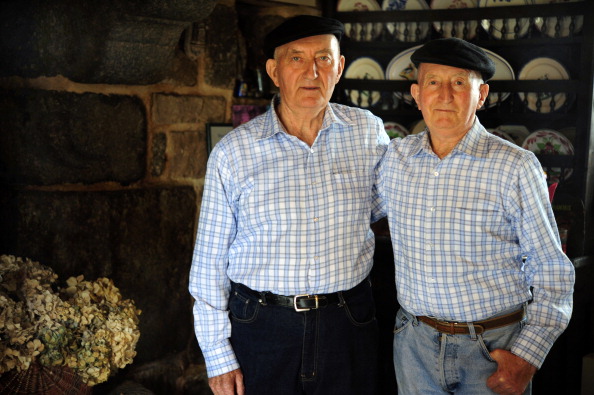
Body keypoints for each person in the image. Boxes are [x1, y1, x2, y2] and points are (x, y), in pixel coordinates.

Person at [189, 15, 389, 395]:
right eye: (296, 58)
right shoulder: (234, 153)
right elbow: (208, 266)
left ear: (340, 67)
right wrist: (217, 356)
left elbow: (394, 204)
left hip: (348, 321)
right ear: (274, 71)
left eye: (324, 59)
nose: (312, 71)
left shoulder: (367, 132)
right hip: (262, 326)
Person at [378, 37, 575, 394]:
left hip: (492, 347)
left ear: (481, 95)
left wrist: (527, 357)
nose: (444, 95)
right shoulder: (394, 159)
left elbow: (553, 272)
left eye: (458, 83)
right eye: (433, 83)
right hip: (413, 345)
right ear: (417, 94)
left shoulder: (515, 166)